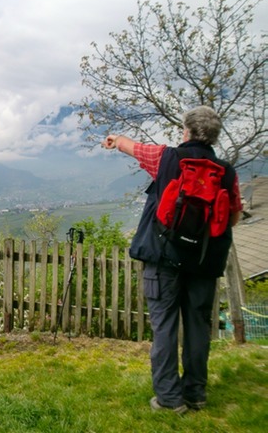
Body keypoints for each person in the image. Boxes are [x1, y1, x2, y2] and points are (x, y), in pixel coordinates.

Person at [102, 105, 242, 414]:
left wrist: (114, 139)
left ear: (186, 131)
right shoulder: (227, 173)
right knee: (197, 326)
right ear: (215, 137)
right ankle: (195, 394)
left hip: (164, 259)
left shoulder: (166, 158)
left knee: (164, 327)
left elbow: (132, 147)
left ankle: (168, 398)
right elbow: (232, 218)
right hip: (204, 265)